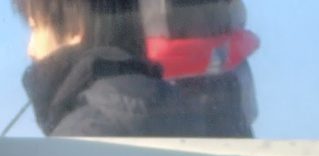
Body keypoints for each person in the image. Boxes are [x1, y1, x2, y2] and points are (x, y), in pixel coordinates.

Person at [14, 0, 259, 142]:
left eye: (35, 28)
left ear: (75, 29)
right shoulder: (215, 126)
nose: (30, 49)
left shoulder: (82, 139)